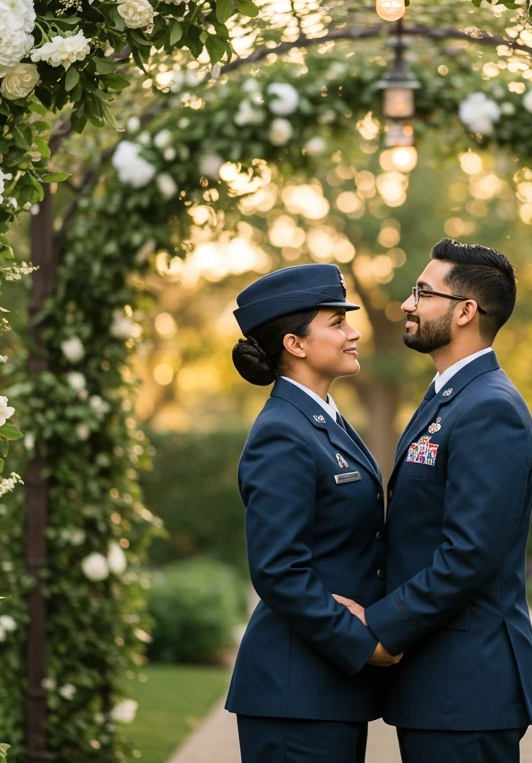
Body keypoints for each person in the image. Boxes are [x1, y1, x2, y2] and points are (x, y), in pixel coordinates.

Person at [333, 238, 532, 763]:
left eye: (422, 292)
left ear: (466, 312)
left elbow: (470, 553)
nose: (407, 304)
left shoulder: (489, 409)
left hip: (467, 685)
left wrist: (380, 625)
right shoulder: (450, 396)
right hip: (440, 685)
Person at [223, 263, 401, 763]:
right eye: (336, 322)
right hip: (293, 692)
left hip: (324, 690)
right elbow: (278, 569)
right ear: (295, 344)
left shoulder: (323, 419)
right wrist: (363, 642)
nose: (354, 332)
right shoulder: (283, 431)